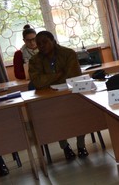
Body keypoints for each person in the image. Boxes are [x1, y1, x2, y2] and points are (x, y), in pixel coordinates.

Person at [28, 31, 88, 159]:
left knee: (81, 112)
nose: (41, 46)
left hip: (71, 95)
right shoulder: (34, 60)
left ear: (53, 41)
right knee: (55, 118)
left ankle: (81, 145)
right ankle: (65, 147)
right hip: (50, 99)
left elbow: (73, 76)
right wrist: (58, 75)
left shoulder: (69, 53)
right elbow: (37, 82)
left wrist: (48, 79)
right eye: (39, 44)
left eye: (45, 42)